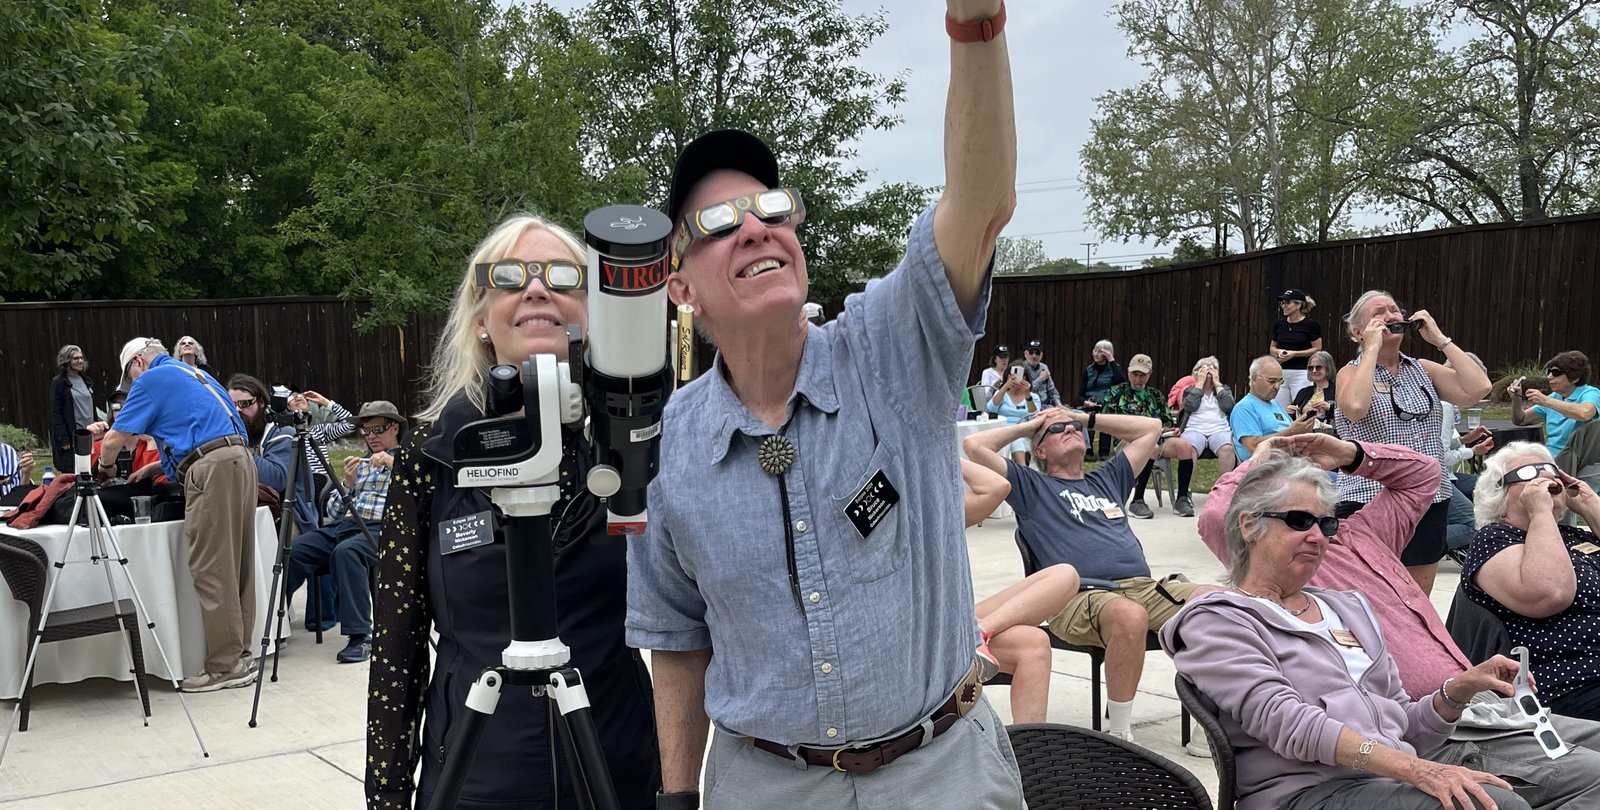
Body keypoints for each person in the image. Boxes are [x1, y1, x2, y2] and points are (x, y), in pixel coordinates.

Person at [631, 7, 1021, 804]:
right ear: (680, 288)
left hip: (942, 771)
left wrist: (975, 25)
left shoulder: (892, 348)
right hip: (763, 784)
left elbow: (979, 201)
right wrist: (675, 797)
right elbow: (676, 637)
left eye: (771, 208)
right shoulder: (667, 441)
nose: (756, 230)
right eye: (716, 223)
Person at [366, 214, 659, 810]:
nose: (536, 288)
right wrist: (388, 796)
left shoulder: (631, 449)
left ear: (594, 310)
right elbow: (396, 645)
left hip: (615, 766)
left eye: (563, 276)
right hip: (476, 776)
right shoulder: (431, 455)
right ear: (479, 319)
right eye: (508, 276)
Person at [1202, 433, 1600, 810]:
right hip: (1327, 781)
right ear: (1250, 525)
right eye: (1298, 520)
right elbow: (1290, 721)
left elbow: (1426, 474)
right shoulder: (1221, 617)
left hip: (1445, 722)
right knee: (1511, 798)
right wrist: (1258, 461)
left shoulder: (1350, 589)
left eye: (1326, 522)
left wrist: (1347, 453)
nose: (1318, 536)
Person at [964, 406, 1217, 742]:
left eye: (1074, 428)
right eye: (1058, 431)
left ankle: (1209, 720)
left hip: (1143, 588)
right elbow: (974, 447)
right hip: (1078, 595)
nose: (1069, 430)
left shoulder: (1109, 479)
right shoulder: (1031, 485)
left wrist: (1083, 418)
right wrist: (1031, 426)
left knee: (1217, 603)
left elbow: (1151, 428)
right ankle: (1121, 734)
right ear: (1039, 450)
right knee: (1129, 615)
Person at [97, 338, 258, 693]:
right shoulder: (194, 373)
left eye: (130, 377)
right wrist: (160, 465)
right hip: (240, 461)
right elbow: (206, 428)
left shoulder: (152, 380)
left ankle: (224, 666)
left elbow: (112, 442)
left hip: (211, 470)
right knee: (239, 563)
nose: (132, 386)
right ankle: (241, 656)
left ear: (138, 362)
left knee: (212, 568)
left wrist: (105, 468)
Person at [1334, 290, 1492, 598]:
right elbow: (1355, 406)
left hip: (1430, 498)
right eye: (1379, 313)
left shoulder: (1422, 368)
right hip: (1371, 497)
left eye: (1395, 309)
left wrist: (1440, 339)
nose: (1391, 315)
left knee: (1415, 595)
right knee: (1367, 592)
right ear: (1358, 331)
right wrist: (1371, 350)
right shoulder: (1350, 372)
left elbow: (1478, 388)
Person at [1465, 442, 1600, 721]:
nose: (1545, 478)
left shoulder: (1572, 536)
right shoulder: (1494, 539)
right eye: (1529, 473)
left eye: (1551, 471)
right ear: (1499, 495)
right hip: (1570, 684)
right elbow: (1550, 594)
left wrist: (1587, 503)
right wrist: (1540, 512)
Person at [961, 459, 1076, 724]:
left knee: (1064, 576)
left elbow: (996, 487)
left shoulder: (924, 509)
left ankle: (1031, 756)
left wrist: (934, 447)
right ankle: (974, 634)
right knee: (1031, 643)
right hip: (908, 637)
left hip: (954, 622)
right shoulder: (876, 510)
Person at [285, 401, 400, 664]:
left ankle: (361, 637)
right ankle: (277, 621)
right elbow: (334, 512)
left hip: (384, 527)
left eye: (377, 429)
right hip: (345, 526)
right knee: (295, 549)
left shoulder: (406, 460)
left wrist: (395, 464)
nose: (371, 437)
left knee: (347, 553)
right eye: (366, 432)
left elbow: (422, 490)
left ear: (394, 427)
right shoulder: (361, 463)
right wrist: (347, 484)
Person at [1103, 353, 1198, 517]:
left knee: (1185, 446)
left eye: (1142, 375)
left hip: (1158, 438)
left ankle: (1182, 499)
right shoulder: (1116, 393)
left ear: (1150, 374)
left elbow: (1167, 422)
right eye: (1135, 374)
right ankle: (1137, 501)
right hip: (1128, 441)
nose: (1138, 379)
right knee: (1151, 448)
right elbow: (1104, 421)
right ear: (1128, 372)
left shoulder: (1156, 396)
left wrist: (1172, 430)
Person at [1509, 351, 1600, 457]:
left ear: (1575, 378)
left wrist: (1545, 401)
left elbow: (1584, 413)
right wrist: (1516, 398)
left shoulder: (1590, 393)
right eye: (1549, 372)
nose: (1549, 376)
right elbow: (1521, 420)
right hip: (1550, 458)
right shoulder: (1555, 397)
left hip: (1576, 460)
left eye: (1556, 373)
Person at [1231, 355, 1315, 461]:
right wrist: (1291, 431)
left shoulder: (1275, 405)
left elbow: (1291, 432)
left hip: (1291, 462)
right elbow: (1253, 447)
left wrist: (1303, 429)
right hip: (1268, 470)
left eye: (1280, 381)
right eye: (1272, 381)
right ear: (1254, 379)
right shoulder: (1244, 408)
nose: (1277, 387)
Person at [1177, 355, 1238, 473]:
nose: (1208, 369)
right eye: (1203, 367)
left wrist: (1217, 384)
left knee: (1228, 448)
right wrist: (1199, 384)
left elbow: (1229, 406)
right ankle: (1187, 488)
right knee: (1189, 448)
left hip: (1220, 430)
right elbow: (1190, 406)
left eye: (1213, 367)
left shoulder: (1224, 390)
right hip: (1194, 430)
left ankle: (1224, 488)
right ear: (1195, 373)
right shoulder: (1189, 391)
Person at [1270, 288, 1323, 409]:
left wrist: (1294, 354)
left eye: (1287, 303)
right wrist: (1279, 352)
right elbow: (1272, 347)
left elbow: (1317, 349)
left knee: (1300, 407)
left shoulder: (1311, 325)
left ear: (1298, 305)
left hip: (1301, 372)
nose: (1284, 306)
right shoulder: (1279, 325)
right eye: (1282, 303)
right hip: (1281, 372)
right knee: (1279, 408)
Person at [49, 344, 96, 473]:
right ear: (66, 361)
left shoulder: (85, 380)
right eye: (75, 358)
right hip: (73, 435)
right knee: (73, 471)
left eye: (81, 358)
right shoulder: (59, 383)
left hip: (90, 434)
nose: (80, 361)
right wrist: (63, 439)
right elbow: (56, 413)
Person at [1080, 339, 1125, 459]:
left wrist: (1112, 360)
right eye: (1095, 350)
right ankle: (1087, 450)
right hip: (1090, 404)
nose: (1096, 354)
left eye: (1099, 351)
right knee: (1086, 416)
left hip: (1107, 403)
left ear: (1107, 353)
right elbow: (1080, 394)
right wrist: (1085, 401)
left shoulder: (1114, 368)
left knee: (1106, 415)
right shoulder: (1088, 370)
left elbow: (1121, 382)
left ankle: (1104, 451)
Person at [987, 363, 1039, 466]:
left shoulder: (1033, 397)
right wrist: (1006, 386)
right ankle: (1023, 468)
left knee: (1015, 435)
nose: (1018, 378)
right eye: (1013, 375)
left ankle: (1022, 468)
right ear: (1008, 376)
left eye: (1022, 375)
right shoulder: (1002, 394)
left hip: (1025, 431)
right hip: (1003, 430)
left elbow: (1034, 416)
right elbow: (991, 408)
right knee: (1014, 435)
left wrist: (1027, 394)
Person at [1289, 349, 1337, 422]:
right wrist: (1290, 412)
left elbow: (1347, 414)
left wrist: (1330, 408)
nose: (1314, 371)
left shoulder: (1338, 391)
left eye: (1318, 367)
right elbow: (1293, 417)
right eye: (1311, 368)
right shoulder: (1303, 392)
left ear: (1328, 368)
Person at [1021, 339, 1061, 407]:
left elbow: (1052, 390)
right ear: (1025, 354)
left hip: (1045, 405)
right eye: (1031, 352)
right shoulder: (1021, 367)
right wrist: (1041, 378)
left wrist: (1058, 404)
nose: (1034, 356)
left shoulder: (1044, 367)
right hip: (1028, 405)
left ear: (1041, 355)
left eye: (1037, 353)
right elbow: (1024, 391)